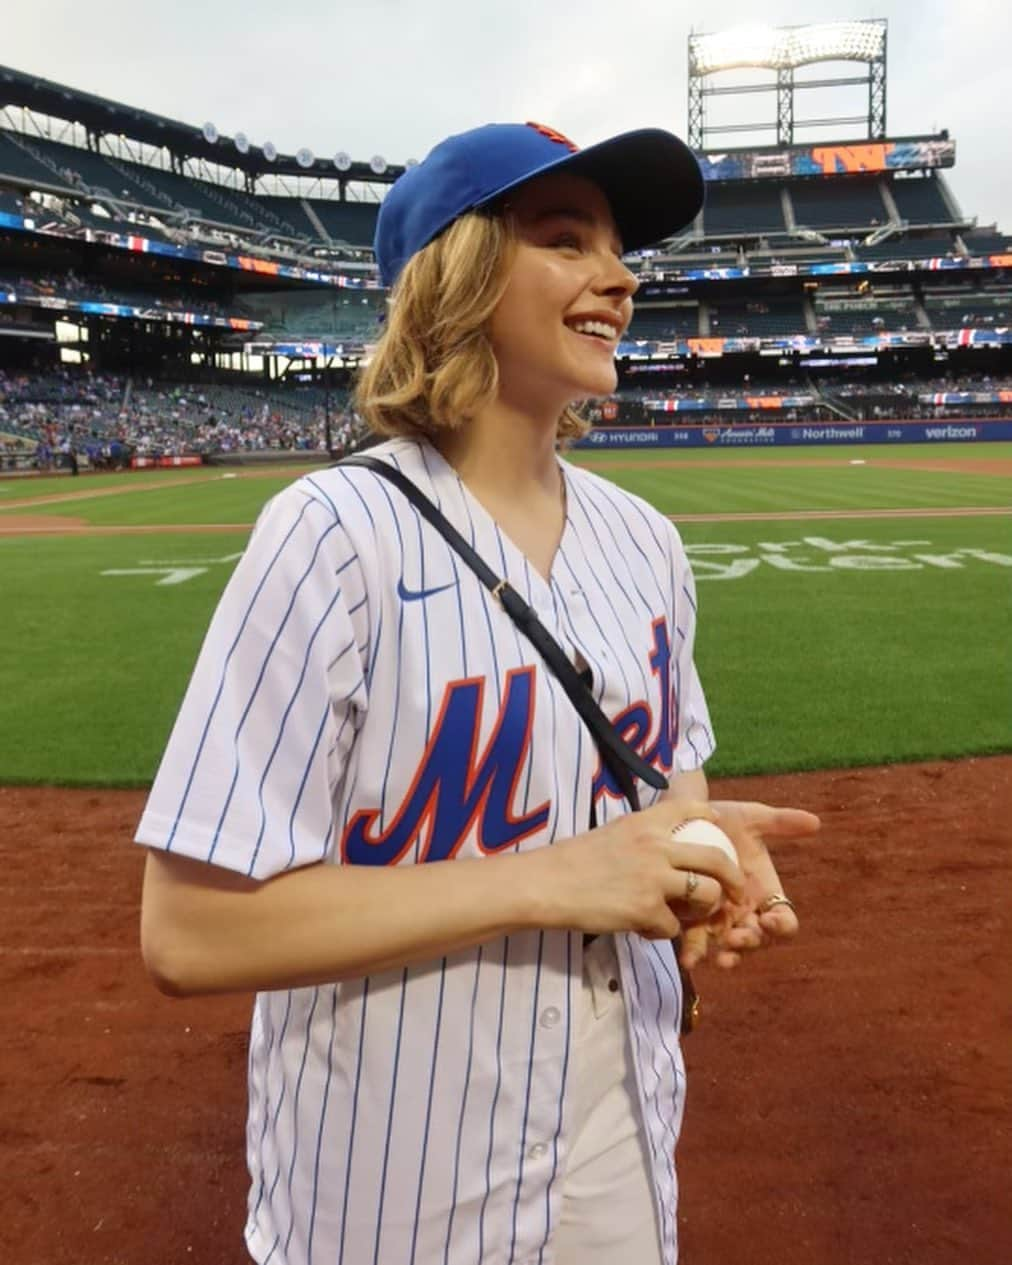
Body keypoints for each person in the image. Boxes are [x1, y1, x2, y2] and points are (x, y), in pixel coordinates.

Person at [136, 121, 819, 1265]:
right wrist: (553, 878)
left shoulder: (645, 543)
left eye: (618, 248)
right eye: (566, 239)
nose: (619, 276)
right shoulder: (330, 533)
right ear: (457, 276)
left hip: (619, 1141)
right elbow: (190, 928)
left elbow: (665, 793)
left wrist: (700, 854)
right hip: (392, 1174)